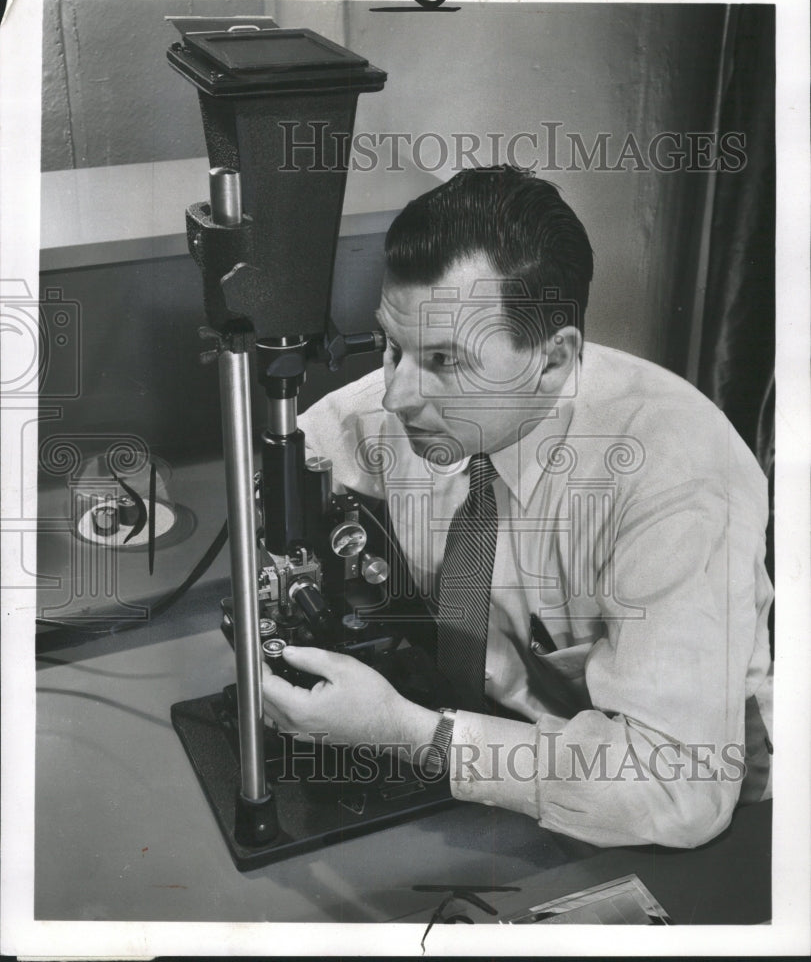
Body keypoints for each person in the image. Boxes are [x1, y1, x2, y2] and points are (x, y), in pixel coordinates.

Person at [262, 165, 773, 848]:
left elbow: (677, 788)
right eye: (392, 347)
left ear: (553, 359)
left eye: (446, 361)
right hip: (494, 764)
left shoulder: (674, 479)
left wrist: (413, 735)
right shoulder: (406, 414)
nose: (395, 397)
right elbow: (295, 465)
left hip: (681, 823)